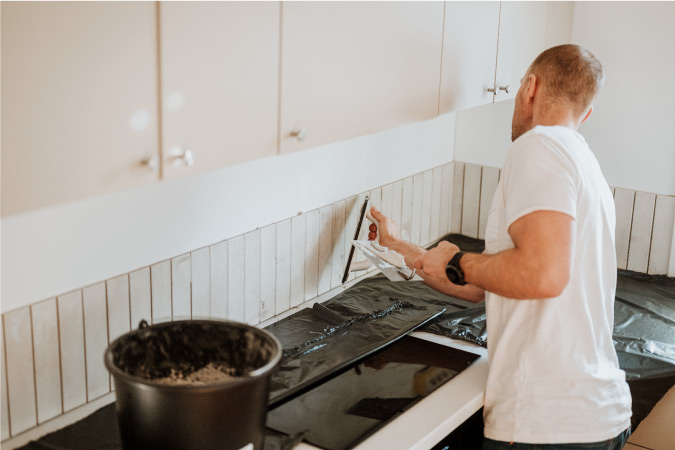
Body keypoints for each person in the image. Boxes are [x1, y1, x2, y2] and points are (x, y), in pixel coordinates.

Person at [370, 44, 632, 449]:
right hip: (593, 417)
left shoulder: (538, 146)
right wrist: (397, 247)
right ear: (586, 113)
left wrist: (458, 260)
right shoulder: (586, 165)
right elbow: (487, 282)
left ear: (530, 87)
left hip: (545, 424)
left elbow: (542, 274)